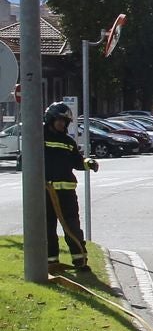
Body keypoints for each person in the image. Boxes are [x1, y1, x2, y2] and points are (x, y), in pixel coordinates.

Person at [41, 102, 97, 272]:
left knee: (72, 228)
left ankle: (80, 261)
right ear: (51, 119)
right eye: (59, 120)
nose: (62, 124)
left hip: (66, 194)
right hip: (45, 193)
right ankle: (51, 263)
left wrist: (89, 163)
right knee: (48, 229)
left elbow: (77, 161)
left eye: (64, 122)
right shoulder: (38, 138)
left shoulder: (68, 141)